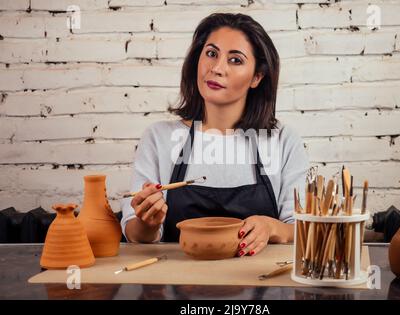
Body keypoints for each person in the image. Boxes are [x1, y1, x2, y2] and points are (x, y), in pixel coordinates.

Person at [121, 13, 309, 256]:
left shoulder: (283, 140)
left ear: (257, 77)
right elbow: (134, 235)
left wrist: (271, 227)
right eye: (211, 54)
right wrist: (148, 223)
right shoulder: (159, 137)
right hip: (177, 285)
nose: (217, 68)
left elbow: (304, 230)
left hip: (259, 284)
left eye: (235, 60)